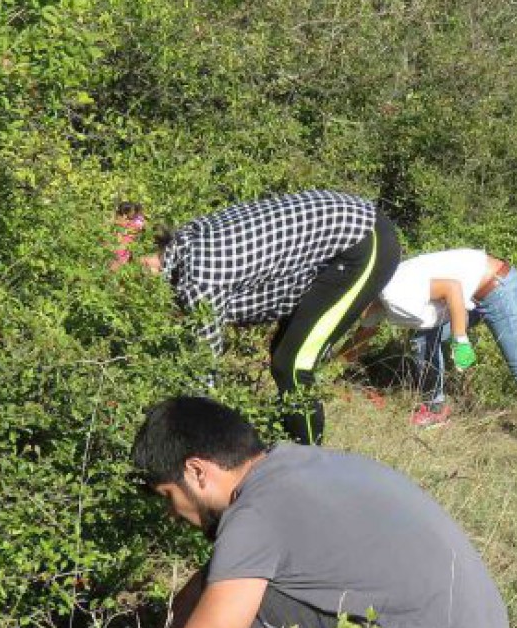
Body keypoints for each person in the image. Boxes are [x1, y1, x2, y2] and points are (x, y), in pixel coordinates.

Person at [38, 396, 512, 628]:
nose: (172, 514)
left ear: (197, 472)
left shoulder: (255, 518)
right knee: (229, 588)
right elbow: (210, 578)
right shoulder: (298, 465)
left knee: (248, 603)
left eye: (168, 496)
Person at [141, 189, 399, 446]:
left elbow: (201, 370)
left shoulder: (201, 276)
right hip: (341, 231)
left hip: (364, 240)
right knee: (283, 353)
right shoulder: (187, 241)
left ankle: (311, 467)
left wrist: (189, 440)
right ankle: (287, 450)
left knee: (293, 365)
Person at [350, 248, 517, 459]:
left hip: (498, 290)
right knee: (424, 339)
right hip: (472, 294)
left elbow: (452, 289)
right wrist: (330, 370)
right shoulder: (376, 301)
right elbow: (360, 339)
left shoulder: (394, 291)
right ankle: (435, 409)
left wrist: (460, 341)